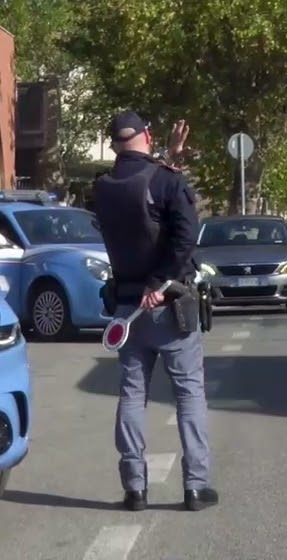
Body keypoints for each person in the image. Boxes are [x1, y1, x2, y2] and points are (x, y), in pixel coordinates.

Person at [92, 111, 218, 513]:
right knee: (189, 394)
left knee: (131, 395)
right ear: (148, 134)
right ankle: (196, 486)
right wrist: (159, 280)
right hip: (169, 302)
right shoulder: (167, 181)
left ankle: (134, 489)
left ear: (114, 144)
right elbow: (183, 235)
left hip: (126, 309)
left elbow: (142, 201)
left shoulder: (103, 187)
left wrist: (171, 158)